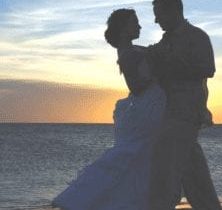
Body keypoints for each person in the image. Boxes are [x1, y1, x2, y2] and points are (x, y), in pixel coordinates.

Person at [51, 9, 166, 210]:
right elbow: (136, 86)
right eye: (135, 22)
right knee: (135, 155)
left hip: (153, 102)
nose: (139, 26)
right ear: (123, 30)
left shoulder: (133, 50)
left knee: (141, 158)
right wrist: (156, 78)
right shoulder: (128, 54)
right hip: (149, 104)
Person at [146, 0, 222, 209]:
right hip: (171, 113)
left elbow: (208, 69)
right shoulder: (165, 40)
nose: (156, 19)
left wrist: (168, 62)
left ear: (174, 11)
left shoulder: (196, 37)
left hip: (184, 113)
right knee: (195, 177)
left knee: (165, 178)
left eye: (158, 13)